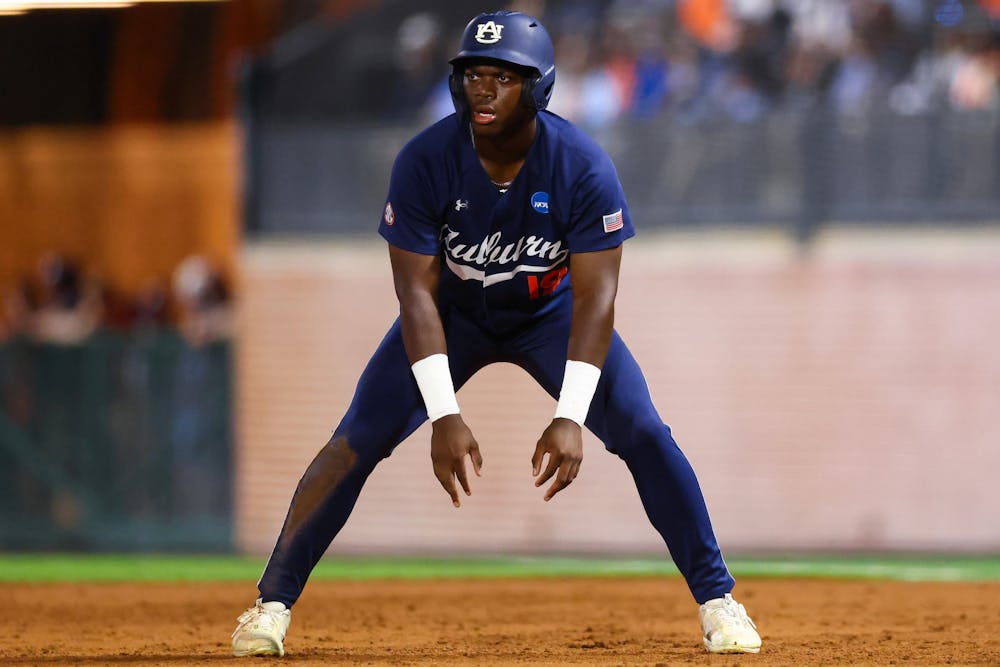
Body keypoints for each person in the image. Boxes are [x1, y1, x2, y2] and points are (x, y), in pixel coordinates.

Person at [231, 10, 761, 657]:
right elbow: (415, 294)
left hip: (552, 313)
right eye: (474, 74)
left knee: (645, 432)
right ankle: (271, 604)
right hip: (453, 314)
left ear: (538, 88)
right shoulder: (426, 160)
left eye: (503, 77)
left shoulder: (583, 166)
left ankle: (719, 600)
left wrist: (570, 413)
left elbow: (598, 299)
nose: (483, 88)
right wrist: (443, 411)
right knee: (354, 440)